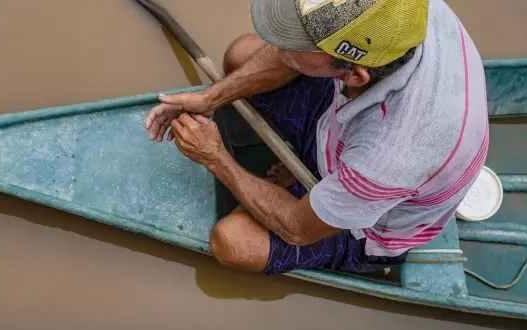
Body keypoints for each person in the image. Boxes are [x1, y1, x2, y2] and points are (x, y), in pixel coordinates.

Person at [144, 0, 488, 276]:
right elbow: (289, 51)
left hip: (365, 224)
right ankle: (315, 164)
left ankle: (327, 196)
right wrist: (211, 98)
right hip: (339, 128)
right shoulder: (397, 14)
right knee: (241, 54)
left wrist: (214, 156)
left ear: (355, 75)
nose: (283, 45)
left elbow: (297, 228)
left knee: (233, 242)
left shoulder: (390, 156)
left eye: (299, 44)